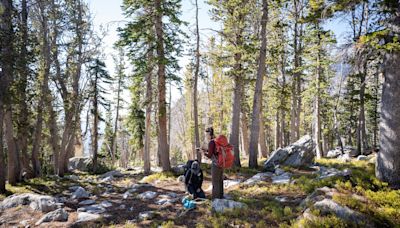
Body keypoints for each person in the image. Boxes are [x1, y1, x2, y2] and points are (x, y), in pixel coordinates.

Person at [202, 127, 224, 199]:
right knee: (220, 181)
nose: (205, 136)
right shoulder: (216, 140)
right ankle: (221, 197)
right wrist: (206, 150)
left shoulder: (211, 142)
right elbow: (214, 151)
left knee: (215, 182)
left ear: (209, 134)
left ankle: (216, 199)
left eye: (206, 134)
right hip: (221, 163)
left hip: (215, 164)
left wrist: (203, 153)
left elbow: (210, 155)